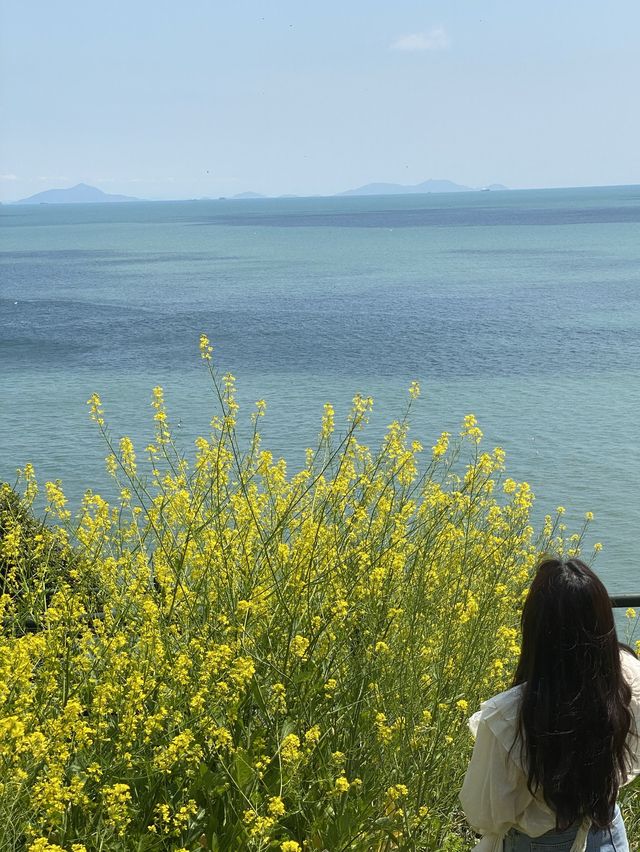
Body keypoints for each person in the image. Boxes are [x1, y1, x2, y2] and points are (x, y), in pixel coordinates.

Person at [460, 556, 640, 852]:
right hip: (608, 832)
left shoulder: (509, 716)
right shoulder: (629, 678)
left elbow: (484, 814)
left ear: (534, 627)